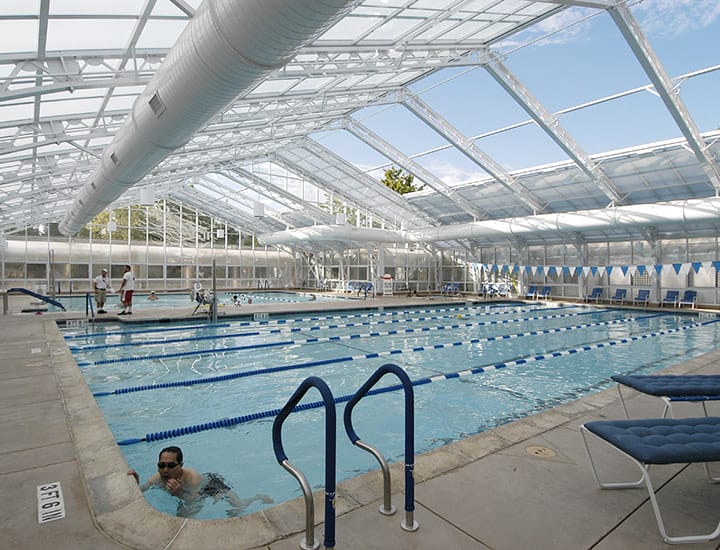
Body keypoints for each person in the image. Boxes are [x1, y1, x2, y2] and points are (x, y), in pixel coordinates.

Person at [127, 446, 273, 517]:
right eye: (161, 465)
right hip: (187, 493)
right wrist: (136, 483)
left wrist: (179, 494)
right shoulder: (157, 478)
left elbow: (196, 501)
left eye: (171, 465)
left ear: (180, 465)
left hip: (210, 485)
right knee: (181, 517)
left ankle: (257, 497)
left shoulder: (192, 477)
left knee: (238, 506)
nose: (165, 470)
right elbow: (142, 489)